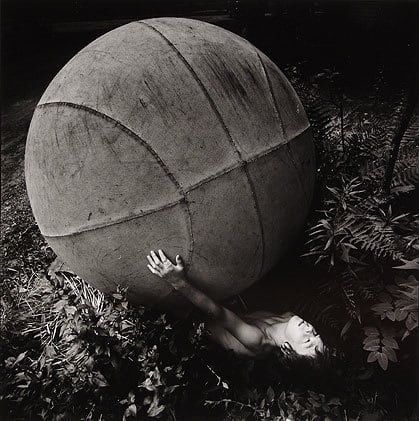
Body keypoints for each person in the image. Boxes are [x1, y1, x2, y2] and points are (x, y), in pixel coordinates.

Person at [146, 249, 328, 371]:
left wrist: (177, 281)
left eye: (307, 342)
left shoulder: (257, 340)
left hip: (188, 318)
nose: (310, 331)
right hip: (222, 306)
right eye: (316, 334)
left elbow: (216, 312)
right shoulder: (288, 319)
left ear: (288, 350)